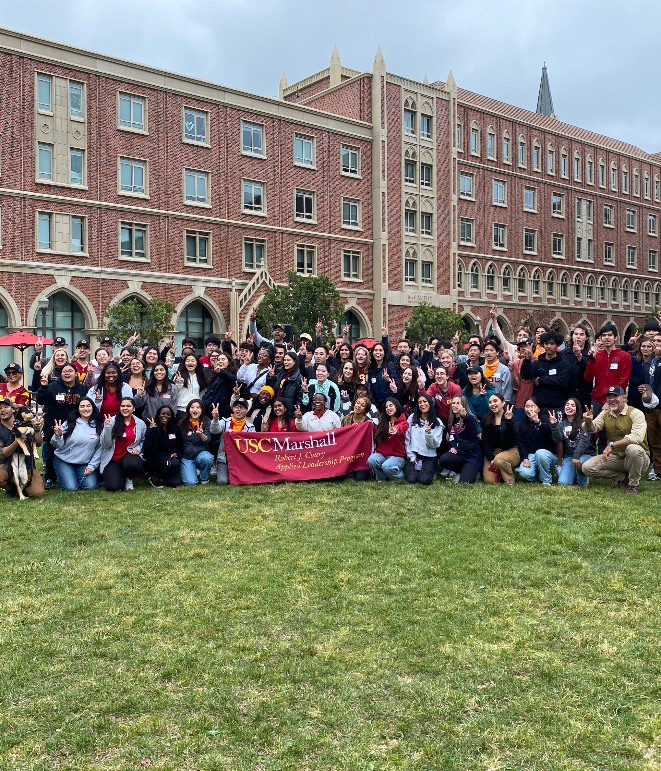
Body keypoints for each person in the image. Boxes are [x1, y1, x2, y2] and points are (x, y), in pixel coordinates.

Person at [581, 385, 651, 494]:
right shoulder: (605, 413)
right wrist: (588, 421)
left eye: (615, 396)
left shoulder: (636, 413)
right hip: (618, 457)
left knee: (633, 449)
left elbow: (637, 437)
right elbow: (593, 428)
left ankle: (633, 485)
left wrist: (613, 444)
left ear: (624, 398)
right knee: (587, 467)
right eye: (609, 397)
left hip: (639, 458)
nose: (612, 400)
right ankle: (623, 478)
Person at [38, 361, 87, 490]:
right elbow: (42, 400)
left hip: (75, 426)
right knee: (52, 451)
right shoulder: (53, 386)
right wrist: (43, 387)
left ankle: (71, 474)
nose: (67, 373)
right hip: (54, 425)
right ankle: (50, 477)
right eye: (64, 371)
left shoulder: (82, 389)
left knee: (74, 450)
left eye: (70, 371)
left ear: (75, 373)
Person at [50, 397, 103, 491]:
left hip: (84, 463)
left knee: (91, 486)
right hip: (64, 460)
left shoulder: (99, 425)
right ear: (78, 409)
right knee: (71, 488)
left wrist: (92, 466)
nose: (85, 409)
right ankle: (66, 475)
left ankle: (74, 476)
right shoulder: (70, 423)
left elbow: (100, 448)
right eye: (82, 406)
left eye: (88, 406)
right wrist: (58, 436)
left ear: (93, 408)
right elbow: (56, 444)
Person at [583, 323, 632, 419]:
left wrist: (611, 399)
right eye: (604, 335)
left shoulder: (624, 356)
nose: (606, 338)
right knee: (595, 431)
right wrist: (591, 359)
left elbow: (623, 380)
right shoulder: (597, 356)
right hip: (597, 400)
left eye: (609, 335)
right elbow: (588, 378)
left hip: (616, 400)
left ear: (615, 338)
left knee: (613, 431)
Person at [0, 398, 44, 498]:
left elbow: (38, 443)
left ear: (14, 410)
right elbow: (2, 454)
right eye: (0, 408)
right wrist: (17, 442)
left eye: (6, 407)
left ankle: (23, 485)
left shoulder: (24, 423)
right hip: (7, 465)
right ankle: (12, 488)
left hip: (27, 464)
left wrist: (36, 429)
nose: (2, 410)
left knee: (37, 493)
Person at [99, 398, 146, 491]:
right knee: (114, 487)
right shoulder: (111, 421)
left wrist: (138, 448)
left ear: (134, 408)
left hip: (129, 456)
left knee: (133, 464)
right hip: (113, 458)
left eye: (128, 406)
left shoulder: (140, 423)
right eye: (122, 406)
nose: (125, 408)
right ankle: (120, 475)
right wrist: (108, 428)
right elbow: (105, 445)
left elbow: (143, 440)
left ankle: (129, 478)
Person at [519, 331, 570, 413]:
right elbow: (526, 376)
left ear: (557, 345)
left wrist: (540, 380)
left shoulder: (564, 364)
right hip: (539, 407)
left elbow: (562, 381)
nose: (548, 346)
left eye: (552, 343)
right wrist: (527, 360)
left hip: (557, 406)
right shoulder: (538, 363)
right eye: (546, 343)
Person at [549, 398, 594, 488]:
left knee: (582, 484)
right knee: (562, 483)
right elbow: (558, 439)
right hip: (569, 457)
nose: (569, 407)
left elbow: (584, 441)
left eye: (573, 405)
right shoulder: (561, 424)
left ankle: (582, 479)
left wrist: (577, 456)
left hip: (585, 455)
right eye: (567, 405)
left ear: (577, 409)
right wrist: (554, 426)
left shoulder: (584, 422)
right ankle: (573, 475)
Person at [437, 395, 483, 483]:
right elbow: (452, 439)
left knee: (466, 481)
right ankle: (459, 471)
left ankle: (474, 472)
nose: (454, 405)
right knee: (443, 459)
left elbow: (472, 433)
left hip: (471, 457)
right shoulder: (452, 420)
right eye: (453, 403)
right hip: (460, 456)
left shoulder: (470, 419)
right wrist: (451, 448)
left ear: (464, 405)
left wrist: (465, 416)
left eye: (458, 403)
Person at [211, 398, 255, 484]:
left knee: (241, 480)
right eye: (236, 407)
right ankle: (220, 469)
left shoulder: (251, 427)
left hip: (241, 460)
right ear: (233, 409)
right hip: (224, 459)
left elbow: (252, 445)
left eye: (242, 407)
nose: (238, 409)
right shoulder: (225, 422)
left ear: (246, 410)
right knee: (222, 481)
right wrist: (215, 419)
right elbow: (214, 430)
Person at [516, 398, 558, 485]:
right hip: (531, 454)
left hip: (548, 455)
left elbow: (550, 436)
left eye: (533, 406)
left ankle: (546, 480)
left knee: (540, 453)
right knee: (525, 473)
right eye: (527, 406)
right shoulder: (522, 424)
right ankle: (538, 476)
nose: (530, 409)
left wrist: (538, 422)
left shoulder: (547, 420)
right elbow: (521, 443)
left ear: (538, 409)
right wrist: (525, 458)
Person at [404, 393, 444, 485]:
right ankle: (419, 470)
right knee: (411, 479)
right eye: (420, 402)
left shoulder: (437, 422)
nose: (422, 404)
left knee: (424, 480)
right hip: (415, 456)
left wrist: (428, 434)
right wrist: (411, 456)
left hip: (429, 457)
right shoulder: (412, 418)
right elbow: (407, 439)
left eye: (425, 402)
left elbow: (435, 445)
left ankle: (430, 471)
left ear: (430, 403)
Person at [481, 394, 519, 485]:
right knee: (490, 480)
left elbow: (514, 436)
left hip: (510, 450)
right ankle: (501, 472)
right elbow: (485, 441)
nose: (492, 404)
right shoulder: (486, 419)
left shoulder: (512, 417)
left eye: (495, 401)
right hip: (494, 451)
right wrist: (490, 458)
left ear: (503, 402)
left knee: (499, 460)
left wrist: (508, 421)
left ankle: (510, 482)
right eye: (490, 402)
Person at [142, 405, 183, 488]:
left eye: (168, 414)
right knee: (173, 462)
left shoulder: (175, 429)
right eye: (163, 414)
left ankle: (162, 476)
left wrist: (176, 453)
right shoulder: (152, 428)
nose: (165, 416)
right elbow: (148, 450)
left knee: (175, 483)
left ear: (171, 416)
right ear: (158, 415)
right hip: (155, 459)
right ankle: (153, 476)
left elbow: (180, 447)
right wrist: (153, 431)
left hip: (171, 458)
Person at [367, 397, 407, 481]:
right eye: (386, 407)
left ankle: (399, 477)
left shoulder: (404, 422)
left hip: (397, 456)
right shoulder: (383, 422)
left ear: (396, 406)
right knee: (371, 460)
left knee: (387, 466)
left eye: (391, 405)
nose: (388, 408)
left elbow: (400, 428)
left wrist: (394, 430)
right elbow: (376, 436)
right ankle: (382, 478)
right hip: (382, 454)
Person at [179, 399, 218, 485]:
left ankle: (204, 477)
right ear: (188, 409)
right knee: (191, 483)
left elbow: (207, 440)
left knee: (207, 458)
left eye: (198, 407)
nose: (195, 410)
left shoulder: (207, 421)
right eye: (192, 407)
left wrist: (201, 434)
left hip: (202, 454)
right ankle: (191, 470)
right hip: (187, 457)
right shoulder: (182, 423)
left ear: (202, 410)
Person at [174, 353, 207, 420]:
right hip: (182, 409)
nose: (190, 362)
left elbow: (202, 393)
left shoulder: (200, 376)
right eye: (188, 360)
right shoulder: (178, 376)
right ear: (184, 363)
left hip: (196, 410)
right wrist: (179, 383)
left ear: (197, 363)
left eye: (192, 361)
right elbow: (174, 392)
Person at [367, 343, 399, 410]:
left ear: (384, 353)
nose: (378, 352)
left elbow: (396, 382)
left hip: (388, 402)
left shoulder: (389, 365)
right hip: (375, 402)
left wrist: (388, 380)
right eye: (376, 350)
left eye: (380, 350)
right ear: (372, 352)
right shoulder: (370, 367)